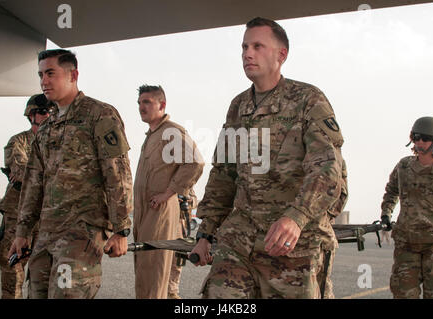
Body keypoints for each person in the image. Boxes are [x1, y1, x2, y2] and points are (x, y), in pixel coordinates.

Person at [191, 17, 346, 299]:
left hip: (293, 244)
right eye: (245, 47)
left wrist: (296, 217)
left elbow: (327, 168)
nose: (248, 53)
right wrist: (206, 234)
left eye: (258, 46)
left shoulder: (308, 100)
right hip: (241, 239)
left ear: (281, 55)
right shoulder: (238, 106)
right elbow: (223, 174)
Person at [8, 49, 133, 299]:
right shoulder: (47, 128)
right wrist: (22, 232)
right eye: (41, 74)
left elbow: (117, 174)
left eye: (51, 73)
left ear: (73, 74)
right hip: (46, 234)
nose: (44, 81)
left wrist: (121, 229)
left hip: (81, 233)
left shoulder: (99, 115)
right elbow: (33, 183)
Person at [133, 85, 204, 299]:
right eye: (139, 103)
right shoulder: (153, 134)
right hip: (144, 212)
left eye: (147, 102)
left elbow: (195, 162)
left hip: (160, 212)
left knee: (156, 274)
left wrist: (169, 193)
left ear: (161, 105)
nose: (141, 107)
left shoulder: (170, 131)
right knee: (145, 271)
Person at [0, 94, 51, 298]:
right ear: (31, 115)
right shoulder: (18, 142)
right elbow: (21, 172)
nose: (48, 114)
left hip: (45, 219)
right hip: (17, 216)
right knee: (12, 272)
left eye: (51, 111)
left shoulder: (57, 144)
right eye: (43, 111)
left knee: (42, 277)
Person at [380, 116, 433, 299]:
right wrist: (386, 214)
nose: (420, 142)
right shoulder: (404, 166)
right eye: (416, 137)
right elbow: (391, 191)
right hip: (407, 243)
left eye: (425, 138)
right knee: (403, 293)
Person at [168, 189, 198, 299]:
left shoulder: (187, 184)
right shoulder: (165, 181)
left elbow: (195, 200)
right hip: (165, 222)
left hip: (180, 225)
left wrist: (189, 200)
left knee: (178, 261)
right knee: (160, 259)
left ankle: (172, 291)